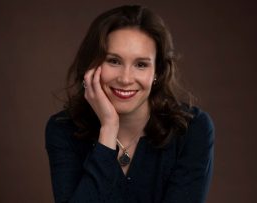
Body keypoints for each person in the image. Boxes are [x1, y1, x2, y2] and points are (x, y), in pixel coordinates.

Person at [45, 4, 214, 203]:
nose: (125, 79)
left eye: (141, 64)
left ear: (157, 72)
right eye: (113, 61)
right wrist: (108, 130)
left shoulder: (192, 129)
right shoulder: (63, 130)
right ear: (92, 65)